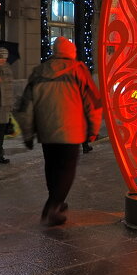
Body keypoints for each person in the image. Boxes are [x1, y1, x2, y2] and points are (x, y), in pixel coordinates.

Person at [15, 37, 102, 227]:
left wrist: (28, 134)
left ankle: (56, 202)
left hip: (46, 130)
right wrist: (93, 130)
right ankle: (53, 206)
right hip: (71, 130)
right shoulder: (78, 70)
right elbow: (93, 103)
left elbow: (25, 107)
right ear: (72, 52)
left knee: (52, 167)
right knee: (67, 168)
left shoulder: (39, 72)